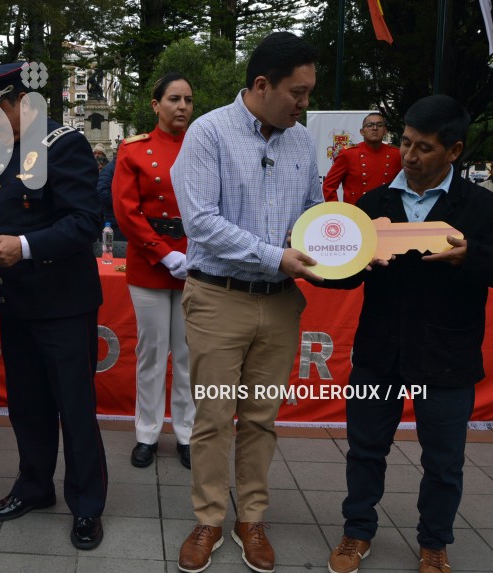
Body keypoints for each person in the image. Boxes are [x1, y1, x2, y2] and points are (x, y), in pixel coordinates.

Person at [322, 95, 493, 573]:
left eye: (424, 147)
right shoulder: (376, 203)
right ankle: (356, 532)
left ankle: (434, 543)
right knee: (364, 448)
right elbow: (339, 274)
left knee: (443, 461)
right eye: (405, 142)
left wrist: (473, 257)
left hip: (447, 354)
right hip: (379, 352)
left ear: (454, 151)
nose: (409, 155)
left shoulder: (478, 207)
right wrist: (349, 260)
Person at [171, 32, 323, 573]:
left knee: (261, 417)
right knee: (213, 414)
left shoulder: (301, 142)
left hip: (281, 304)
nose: (304, 104)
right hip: (219, 298)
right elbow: (202, 223)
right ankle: (210, 518)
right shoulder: (208, 133)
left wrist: (346, 242)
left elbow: (314, 211)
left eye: (308, 93)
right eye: (297, 93)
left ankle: (250, 517)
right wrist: (273, 255)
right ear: (262, 85)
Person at [0, 62, 107, 550]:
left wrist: (21, 246)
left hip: (63, 304)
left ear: (19, 101)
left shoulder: (64, 144)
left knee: (75, 408)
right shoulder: (0, 151)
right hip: (17, 301)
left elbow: (84, 222)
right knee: (28, 406)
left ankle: (86, 505)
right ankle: (34, 486)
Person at [112, 72, 195, 471]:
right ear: (155, 104)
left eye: (188, 100)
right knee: (151, 353)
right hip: (150, 265)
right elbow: (126, 212)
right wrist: (164, 255)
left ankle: (186, 433)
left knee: (187, 356)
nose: (182, 107)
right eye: (174, 99)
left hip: (196, 263)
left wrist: (195, 254)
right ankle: (146, 433)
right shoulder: (133, 150)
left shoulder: (203, 148)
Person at [322, 112, 401, 204]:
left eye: (379, 125)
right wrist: (339, 212)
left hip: (387, 213)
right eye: (370, 125)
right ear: (362, 132)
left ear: (385, 131)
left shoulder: (396, 154)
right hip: (356, 213)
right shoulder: (348, 154)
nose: (375, 128)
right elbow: (329, 186)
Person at [96, 159, 126, 241]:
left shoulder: (126, 168)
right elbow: (103, 194)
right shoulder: (110, 170)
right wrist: (125, 201)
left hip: (125, 222)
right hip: (114, 224)